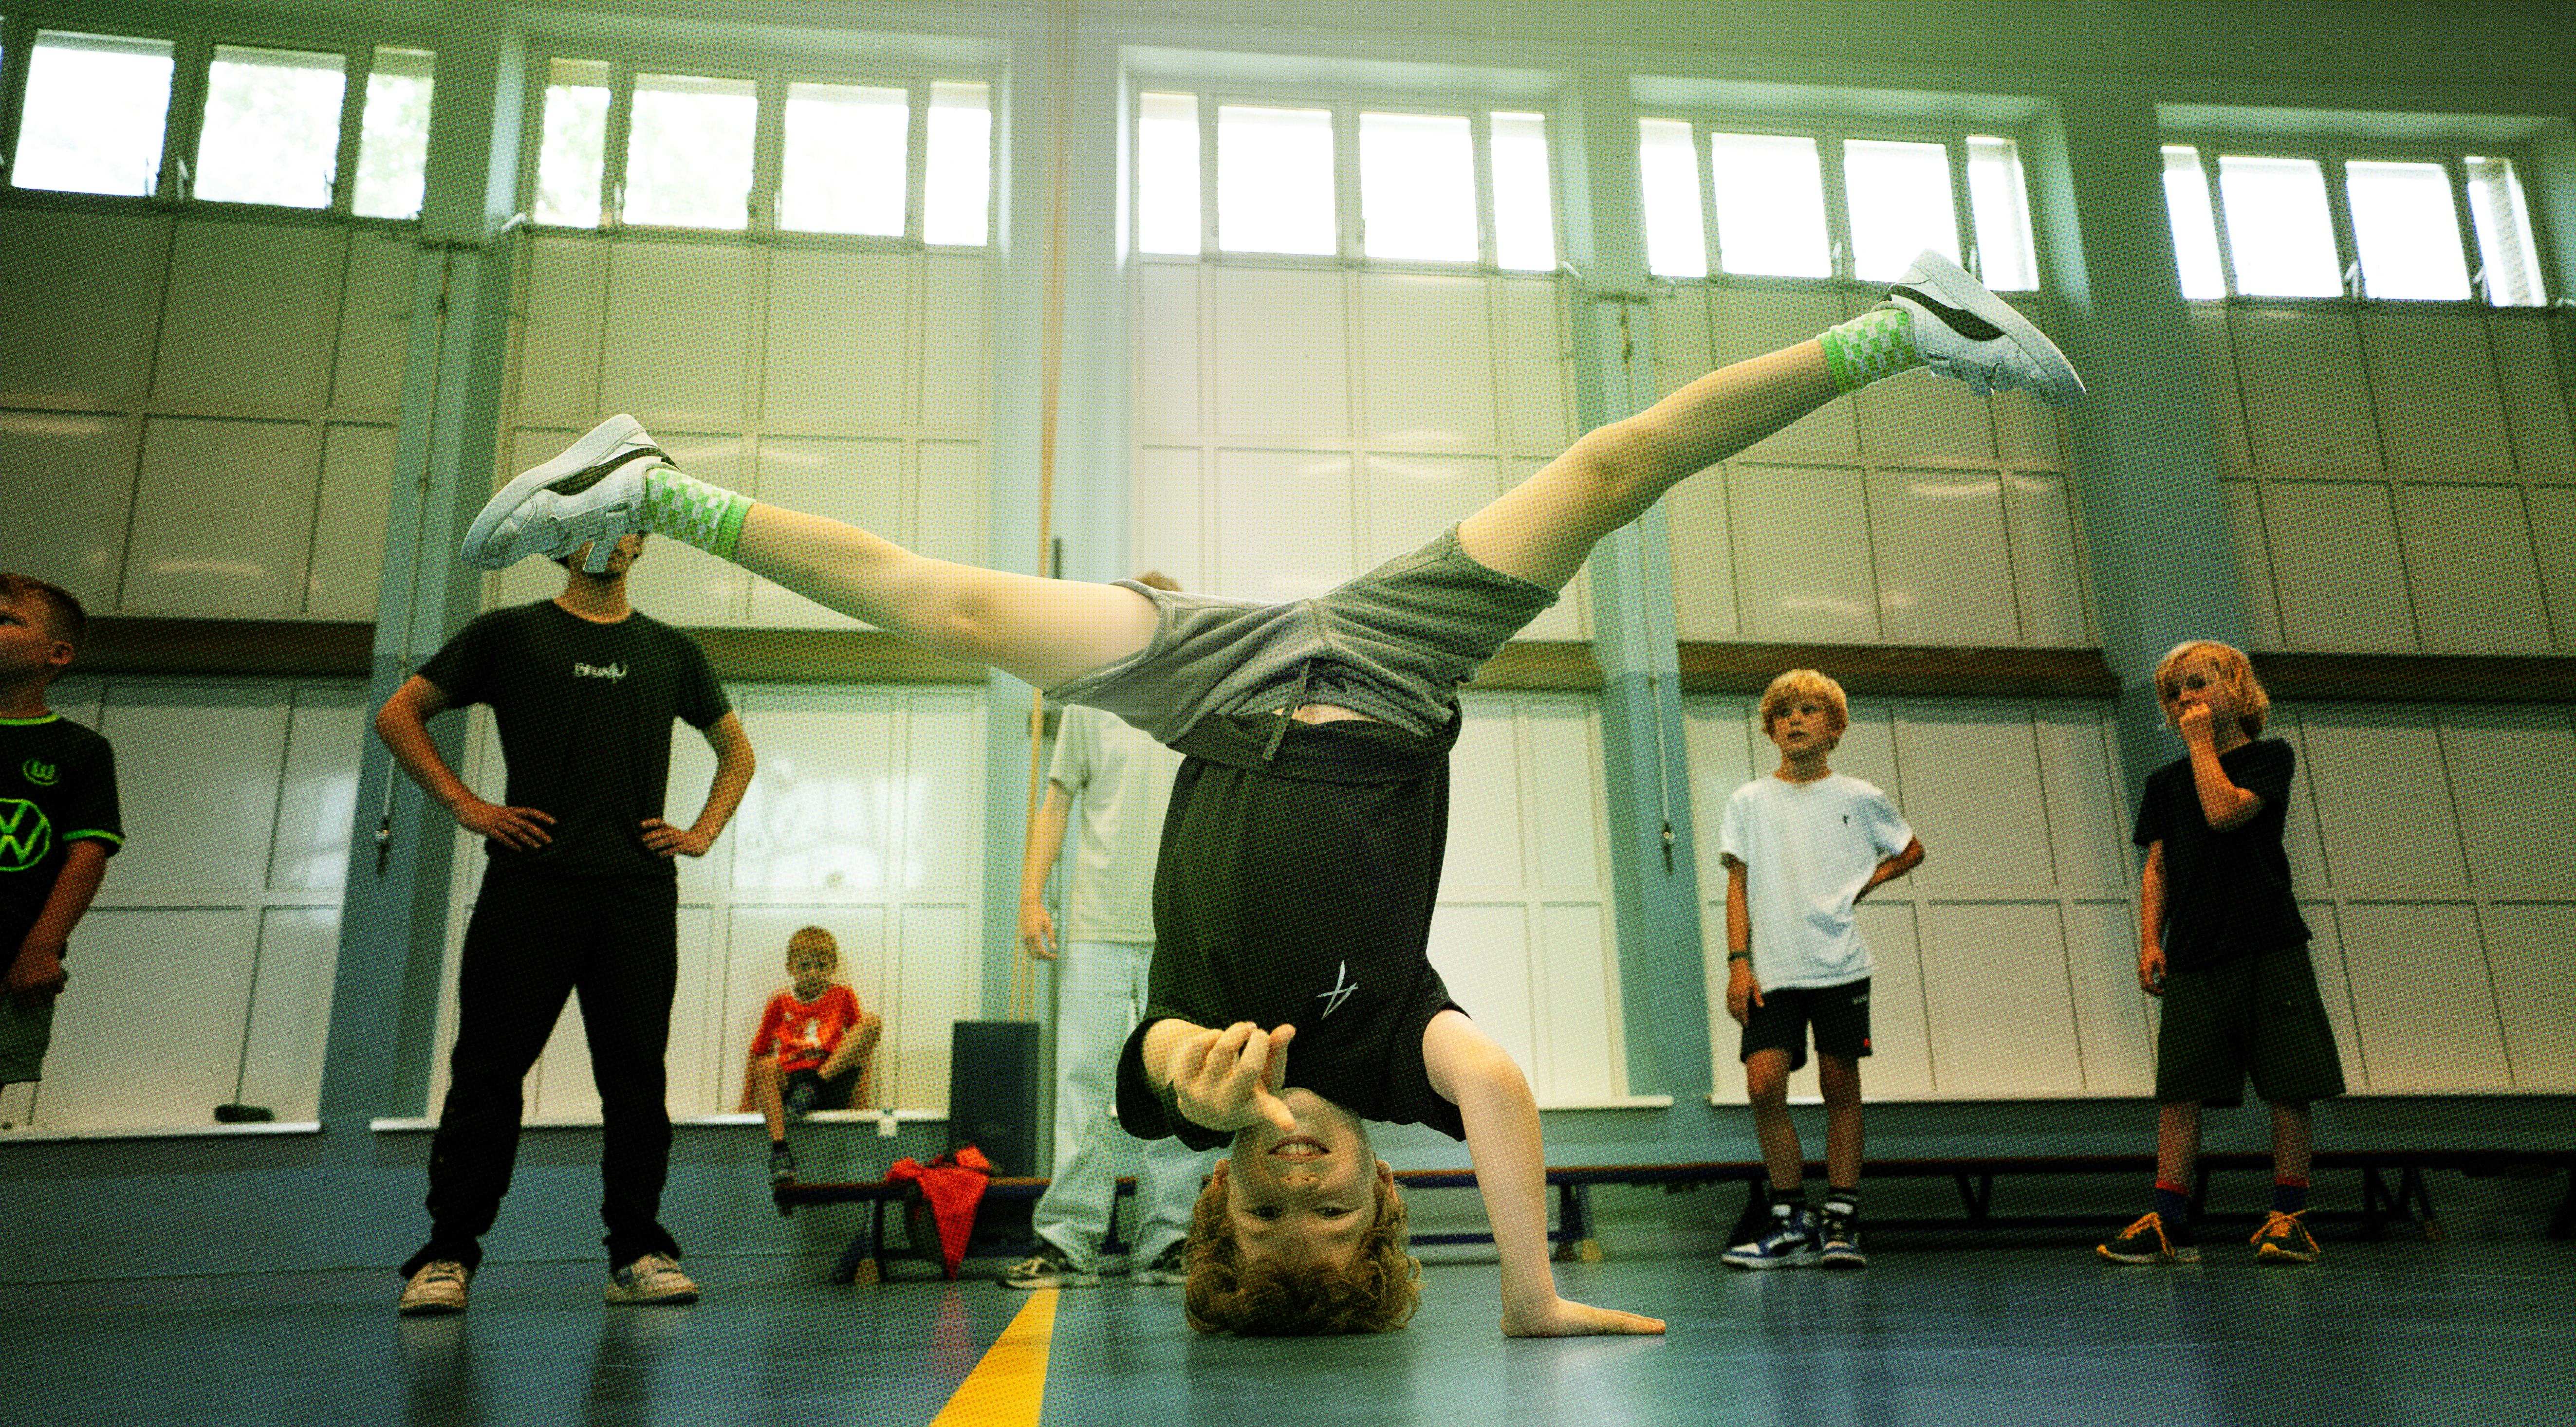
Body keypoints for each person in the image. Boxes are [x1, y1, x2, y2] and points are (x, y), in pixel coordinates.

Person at [460, 249, 2083, 1337]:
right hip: (1388, 666)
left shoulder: (1186, 1090)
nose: (1296, 1164)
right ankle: (1904, 330)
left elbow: (1161, 1056)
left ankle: (644, 485)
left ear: (1220, 1194)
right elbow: (1504, 1094)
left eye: (1264, 1194)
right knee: (1607, 475)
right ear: (1381, 1185)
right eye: (1330, 1194)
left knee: (956, 611)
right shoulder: (1397, 1055)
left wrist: (1213, 1091)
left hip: (1217, 676)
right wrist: (1526, 1288)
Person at [379, 530, 757, 1316]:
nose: (607, 540)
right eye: (588, 522)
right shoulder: (508, 633)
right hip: (531, 886)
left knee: (635, 1080)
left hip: (636, 893)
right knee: (487, 1074)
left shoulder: (670, 651)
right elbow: (399, 714)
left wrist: (701, 833)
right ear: (558, 538)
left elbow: (736, 753)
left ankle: (639, 1251)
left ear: (641, 539)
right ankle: (447, 1256)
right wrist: (467, 805)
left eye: (623, 522)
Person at [2101, 640, 2342, 1266]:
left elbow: (2225, 813)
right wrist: (2149, 939)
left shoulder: (2269, 759)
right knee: (2179, 1088)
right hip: (2194, 950)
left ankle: (2288, 1215)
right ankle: (2170, 1219)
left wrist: (2203, 746)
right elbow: (2158, 867)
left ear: (2236, 688)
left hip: (2268, 942)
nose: (2186, 699)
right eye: (2175, 692)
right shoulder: (2163, 783)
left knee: (2287, 1084)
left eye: (2199, 684)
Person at [1004, 608, 1200, 1291]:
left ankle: (1169, 1238)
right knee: (1081, 1084)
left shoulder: (1198, 702)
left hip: (1179, 932)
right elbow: (1055, 804)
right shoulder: (1092, 700)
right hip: (1093, 926)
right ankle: (1067, 1241)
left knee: (1179, 1088)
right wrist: (1031, 898)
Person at [1717, 668, 1923, 1270]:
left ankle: (1841, 1220)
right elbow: (1737, 886)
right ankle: (1788, 1220)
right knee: (1763, 1086)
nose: (1795, 720)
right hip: (1770, 971)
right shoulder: (1748, 801)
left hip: (1838, 966)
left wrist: (1860, 885)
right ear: (1770, 728)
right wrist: (1737, 963)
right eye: (1784, 713)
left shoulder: (1858, 797)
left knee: (1840, 1087)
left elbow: (1909, 848)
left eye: (1809, 710)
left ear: (1833, 728)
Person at [0, 576, 120, 1104]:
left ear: (58, 653)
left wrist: (42, 946)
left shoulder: (80, 750)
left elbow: (87, 858)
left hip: (10, 959)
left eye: (6, 619)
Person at [740, 924, 881, 1186]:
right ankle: (781, 1150)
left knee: (872, 1023)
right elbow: (758, 1052)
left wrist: (861, 1099)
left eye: (821, 966)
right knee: (766, 1065)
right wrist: (746, 1103)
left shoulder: (843, 995)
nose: (813, 973)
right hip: (793, 1083)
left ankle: (812, 1086)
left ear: (833, 967)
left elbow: (860, 1051)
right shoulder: (780, 1002)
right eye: (805, 966)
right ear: (791, 968)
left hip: (829, 1077)